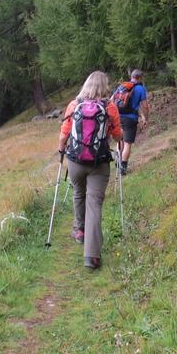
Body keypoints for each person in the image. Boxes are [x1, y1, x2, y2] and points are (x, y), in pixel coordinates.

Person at [58, 71, 123, 269]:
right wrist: (118, 140)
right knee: (94, 203)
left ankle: (79, 230)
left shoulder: (73, 105)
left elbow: (64, 135)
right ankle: (92, 256)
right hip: (99, 161)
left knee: (78, 192)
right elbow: (118, 134)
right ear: (104, 86)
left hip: (75, 161)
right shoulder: (109, 107)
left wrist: (61, 151)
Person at [113, 69, 149, 175]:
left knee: (120, 140)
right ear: (140, 78)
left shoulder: (122, 87)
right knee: (128, 143)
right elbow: (145, 106)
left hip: (118, 117)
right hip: (130, 119)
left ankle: (118, 161)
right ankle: (123, 168)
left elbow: (111, 100)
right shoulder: (140, 88)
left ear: (132, 77)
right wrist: (146, 117)